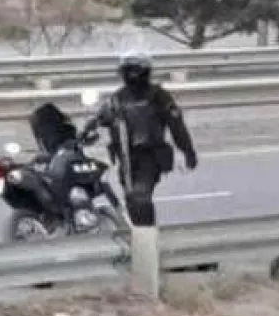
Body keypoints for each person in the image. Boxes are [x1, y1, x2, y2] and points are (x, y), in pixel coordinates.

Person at [82, 51, 197, 227]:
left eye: (134, 71)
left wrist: (188, 151)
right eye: (127, 71)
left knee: (140, 197)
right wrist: (86, 131)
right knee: (131, 201)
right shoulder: (117, 98)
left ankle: (148, 239)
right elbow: (101, 117)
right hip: (126, 159)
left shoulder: (158, 96)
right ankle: (143, 239)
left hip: (150, 156)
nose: (131, 75)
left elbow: (176, 125)